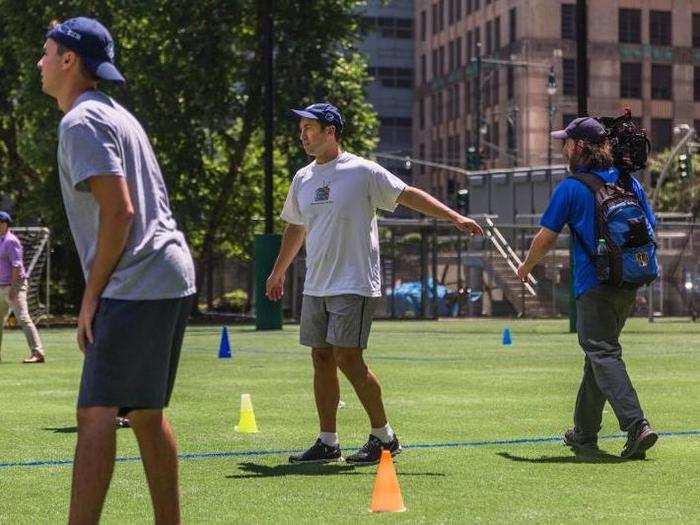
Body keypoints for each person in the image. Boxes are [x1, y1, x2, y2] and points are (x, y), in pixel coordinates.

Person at [38, 17, 196, 523]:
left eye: (46, 52)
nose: (39, 63)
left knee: (96, 414)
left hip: (138, 279)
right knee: (146, 415)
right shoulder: (114, 114)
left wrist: (91, 297)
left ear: (69, 61)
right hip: (170, 274)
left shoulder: (81, 122)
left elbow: (120, 211)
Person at [266, 103, 484, 465]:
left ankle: (385, 437)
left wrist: (454, 216)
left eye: (309, 128)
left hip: (354, 283)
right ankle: (327, 441)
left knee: (348, 358)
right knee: (321, 358)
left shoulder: (363, 171)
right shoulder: (302, 178)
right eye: (301, 129)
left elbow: (408, 194)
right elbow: (295, 226)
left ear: (330, 131)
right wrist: (278, 271)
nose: (302, 135)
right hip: (316, 286)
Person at [516, 116, 658, 460]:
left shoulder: (571, 187)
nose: (563, 147)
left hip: (593, 285)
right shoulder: (628, 182)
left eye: (566, 141)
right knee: (598, 355)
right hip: (628, 283)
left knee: (602, 352)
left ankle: (636, 424)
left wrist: (526, 265)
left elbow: (545, 237)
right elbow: (650, 227)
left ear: (580, 147)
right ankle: (584, 433)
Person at [0, 211, 46, 363]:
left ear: (5, 224)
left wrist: (13, 289)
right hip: (1, 286)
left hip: (15, 286)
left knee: (23, 318)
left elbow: (17, 266)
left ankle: (38, 352)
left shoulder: (11, 241)